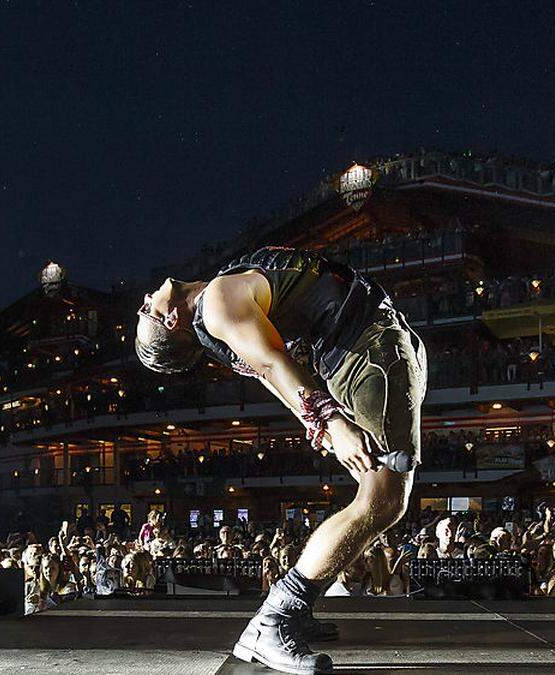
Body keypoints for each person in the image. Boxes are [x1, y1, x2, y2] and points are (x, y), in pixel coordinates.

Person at [135, 246, 428, 674]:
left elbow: (272, 367)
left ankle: (293, 612)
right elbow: (273, 364)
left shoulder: (221, 307)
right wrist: (329, 421)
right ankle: (274, 620)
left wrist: (320, 424)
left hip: (368, 346)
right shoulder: (216, 302)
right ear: (171, 320)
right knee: (384, 499)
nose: (144, 300)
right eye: (147, 311)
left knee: (382, 498)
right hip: (367, 349)